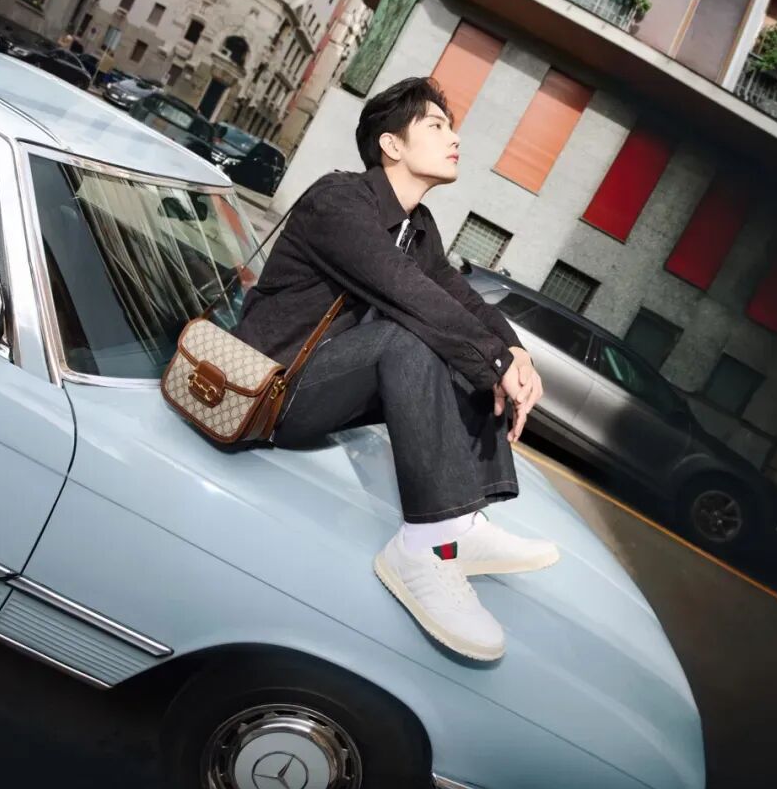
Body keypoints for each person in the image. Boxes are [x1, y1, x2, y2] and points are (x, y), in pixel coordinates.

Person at [235, 77, 558, 661]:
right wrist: (493, 360)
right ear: (391, 145)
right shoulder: (339, 201)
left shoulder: (419, 228)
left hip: (328, 386)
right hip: (270, 387)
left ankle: (460, 526)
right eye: (436, 126)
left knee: (458, 346)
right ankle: (424, 548)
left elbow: (463, 300)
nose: (454, 138)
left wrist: (515, 351)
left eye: (450, 127)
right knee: (410, 335)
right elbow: (408, 292)